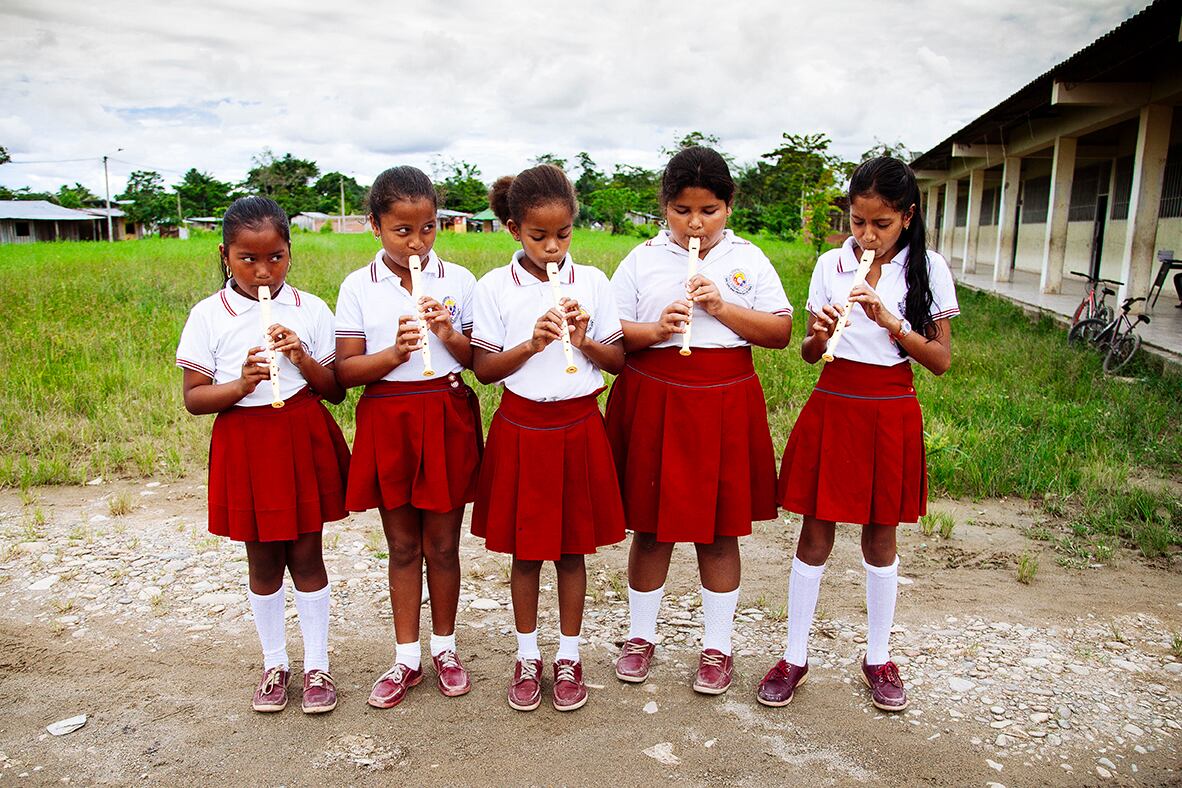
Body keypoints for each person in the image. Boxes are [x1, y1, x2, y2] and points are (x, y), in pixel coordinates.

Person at [760, 156, 959, 712]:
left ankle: (877, 656)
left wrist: (891, 322)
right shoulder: (831, 263)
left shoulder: (929, 269)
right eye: (858, 222)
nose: (867, 235)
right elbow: (807, 353)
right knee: (815, 530)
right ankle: (794, 654)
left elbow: (940, 360)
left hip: (890, 405)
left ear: (907, 217)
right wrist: (820, 335)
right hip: (836, 401)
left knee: (880, 534)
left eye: (882, 224)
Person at [606, 146, 792, 694]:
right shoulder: (641, 259)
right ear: (665, 207)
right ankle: (641, 637)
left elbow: (780, 332)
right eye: (682, 210)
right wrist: (658, 328)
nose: (695, 223)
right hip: (656, 397)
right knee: (651, 526)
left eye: (708, 210)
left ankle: (717, 646)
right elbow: (612, 335)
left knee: (718, 531)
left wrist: (721, 308)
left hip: (724, 400)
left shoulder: (749, 260)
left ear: (728, 206)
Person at [175, 195, 349, 714]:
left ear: (290, 252)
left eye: (275, 257)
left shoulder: (309, 308)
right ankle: (275, 664)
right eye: (248, 259)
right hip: (246, 440)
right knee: (263, 559)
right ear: (226, 255)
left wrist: (299, 355)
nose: (263, 271)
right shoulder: (209, 314)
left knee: (307, 554)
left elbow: (334, 389)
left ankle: (318, 665)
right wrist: (241, 383)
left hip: (299, 431)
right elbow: (193, 398)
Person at [470, 164, 626, 712]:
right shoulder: (493, 287)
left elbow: (618, 360)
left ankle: (569, 654)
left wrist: (583, 341)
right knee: (526, 552)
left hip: (579, 424)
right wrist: (532, 345)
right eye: (539, 237)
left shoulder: (594, 283)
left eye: (563, 235)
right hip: (521, 427)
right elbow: (483, 370)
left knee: (571, 550)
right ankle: (527, 653)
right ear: (514, 229)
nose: (553, 248)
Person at [335, 165, 483, 708]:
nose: (417, 242)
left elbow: (476, 362)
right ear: (374, 225)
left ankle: (444, 648)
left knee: (443, 545)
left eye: (428, 228)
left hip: (444, 410)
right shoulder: (358, 285)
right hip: (388, 417)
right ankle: (406, 657)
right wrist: (395, 353)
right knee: (402, 545)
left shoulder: (459, 280)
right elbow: (344, 373)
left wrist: (446, 332)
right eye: (402, 230)